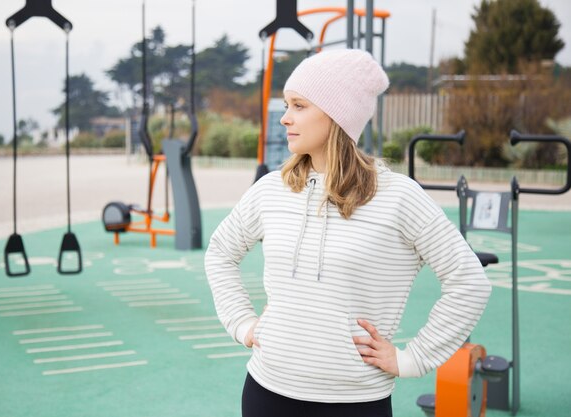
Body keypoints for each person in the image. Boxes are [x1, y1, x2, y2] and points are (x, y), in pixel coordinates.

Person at [204, 49, 491, 417]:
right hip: (266, 391)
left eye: (299, 106)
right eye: (287, 106)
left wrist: (414, 358)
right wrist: (242, 323)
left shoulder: (398, 197)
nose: (285, 119)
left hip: (354, 402)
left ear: (336, 114)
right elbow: (220, 253)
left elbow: (469, 281)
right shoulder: (271, 190)